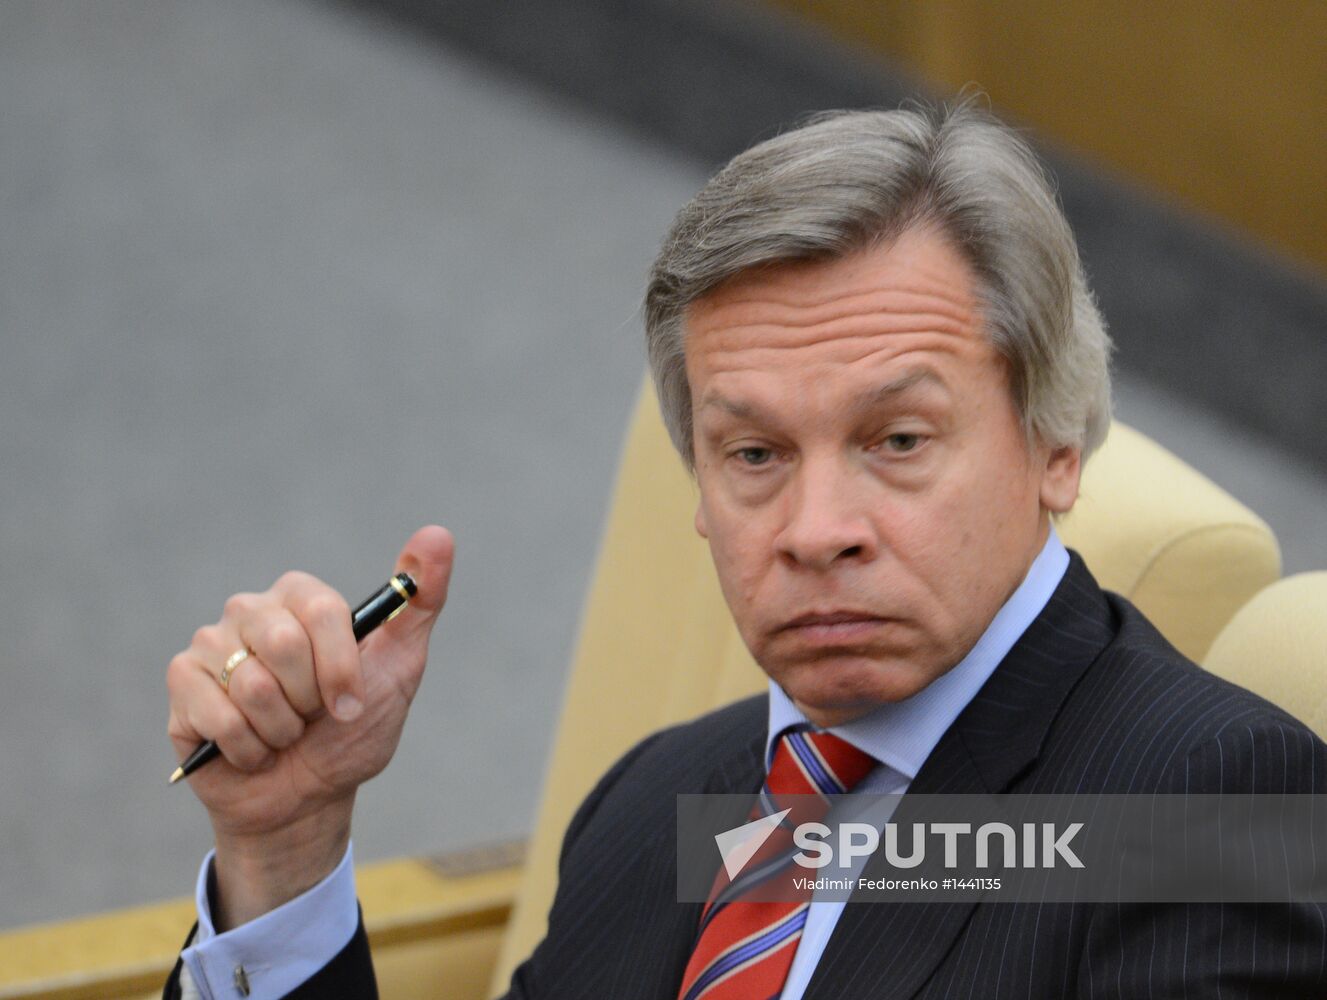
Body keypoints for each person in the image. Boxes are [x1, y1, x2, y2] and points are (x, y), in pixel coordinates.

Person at [164, 102, 1327, 999]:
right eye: (756, 455)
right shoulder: (658, 804)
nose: (817, 531)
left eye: (898, 438)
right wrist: (285, 850)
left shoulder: (1203, 808)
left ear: (1055, 444)